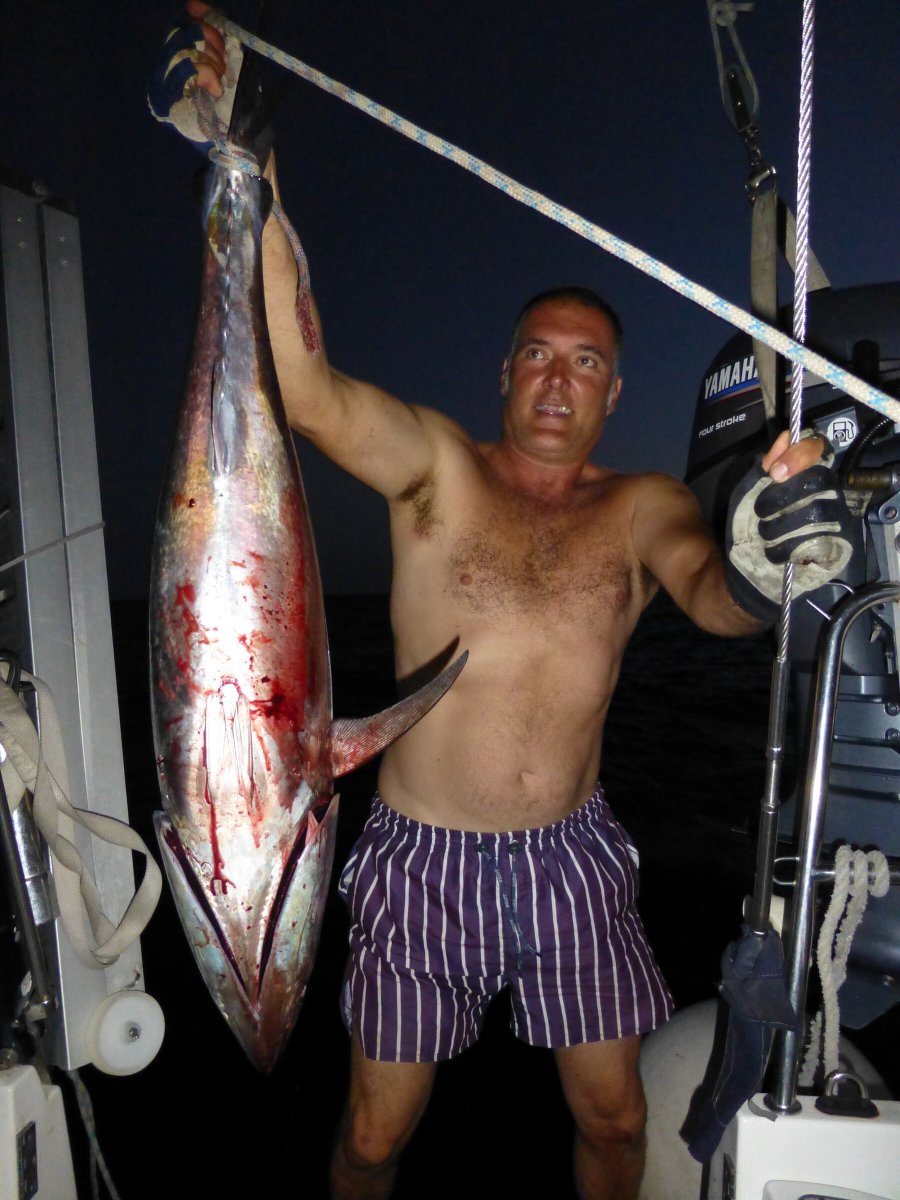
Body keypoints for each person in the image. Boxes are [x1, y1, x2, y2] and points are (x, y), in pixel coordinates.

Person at [158, 9, 840, 1196]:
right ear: (504, 370)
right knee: (375, 1133)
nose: (558, 378)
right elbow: (304, 390)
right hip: (420, 859)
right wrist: (254, 167)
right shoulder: (436, 466)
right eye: (537, 353)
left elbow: (713, 597)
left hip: (573, 853)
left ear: (616, 389)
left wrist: (770, 565)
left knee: (618, 1122)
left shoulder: (641, 508)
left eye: (584, 362)